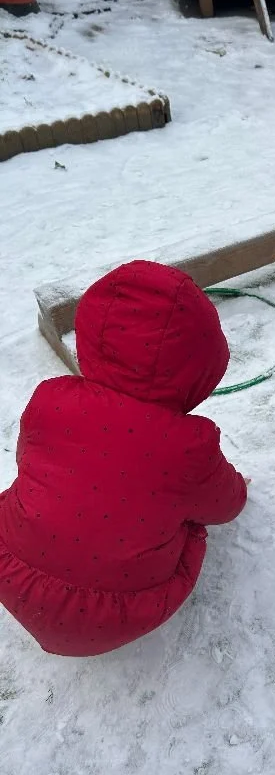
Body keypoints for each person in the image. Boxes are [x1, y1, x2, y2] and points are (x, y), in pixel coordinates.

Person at [0, 261, 248, 655]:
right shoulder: (188, 447)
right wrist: (237, 486)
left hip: (10, 572)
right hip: (122, 611)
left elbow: (29, 464)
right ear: (202, 365)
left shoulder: (50, 399)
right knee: (187, 519)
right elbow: (225, 506)